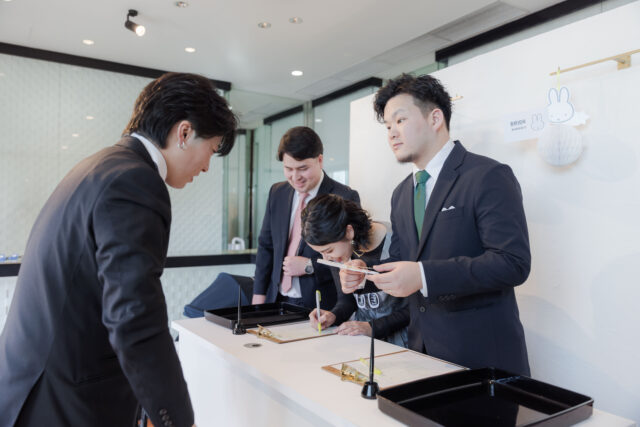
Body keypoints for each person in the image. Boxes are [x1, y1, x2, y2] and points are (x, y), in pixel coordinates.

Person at [0, 72, 237, 427]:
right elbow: (134, 317)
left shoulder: (99, 165)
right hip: (63, 398)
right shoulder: (135, 181)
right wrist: (175, 419)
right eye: (212, 151)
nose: (205, 166)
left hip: (33, 384)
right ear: (184, 133)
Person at [340, 73, 531, 376]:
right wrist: (365, 273)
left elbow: (512, 263)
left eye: (400, 120)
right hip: (422, 351)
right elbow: (401, 261)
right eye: (387, 126)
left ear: (435, 118)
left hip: (482, 355)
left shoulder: (487, 175)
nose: (392, 133)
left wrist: (424, 275)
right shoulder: (402, 193)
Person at [251, 126, 360, 310]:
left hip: (319, 305)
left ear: (320, 160)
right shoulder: (277, 192)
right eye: (288, 169)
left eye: (303, 169)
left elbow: (351, 256)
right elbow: (266, 246)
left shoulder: (344, 197)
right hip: (275, 298)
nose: (295, 177)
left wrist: (310, 266)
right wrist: (258, 296)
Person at [301, 194, 409, 347]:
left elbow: (415, 308)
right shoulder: (339, 252)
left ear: (349, 232)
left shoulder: (396, 242)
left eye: (329, 250)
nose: (326, 258)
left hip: (402, 342)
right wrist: (333, 315)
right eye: (321, 253)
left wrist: (373, 327)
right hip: (361, 340)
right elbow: (347, 299)